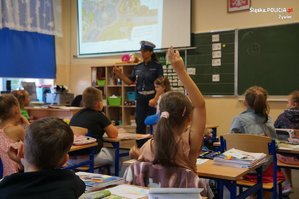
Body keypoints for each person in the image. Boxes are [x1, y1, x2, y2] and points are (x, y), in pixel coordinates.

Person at [126, 47, 212, 197]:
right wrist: (181, 71)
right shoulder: (189, 142)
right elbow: (200, 105)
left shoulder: (149, 145)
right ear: (189, 118)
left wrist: (138, 155)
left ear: (161, 113)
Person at [0, 117, 85, 199]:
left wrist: (21, 164)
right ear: (64, 160)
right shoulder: (70, 181)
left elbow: (28, 180)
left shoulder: (6, 186)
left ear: (22, 150)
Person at [113, 41, 163, 147]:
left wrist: (155, 99)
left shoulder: (157, 66)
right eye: (141, 51)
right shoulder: (138, 66)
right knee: (140, 123)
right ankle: (141, 147)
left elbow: (161, 84)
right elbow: (129, 81)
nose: (142, 53)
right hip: (140, 97)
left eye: (144, 51)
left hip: (152, 98)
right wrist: (120, 75)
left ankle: (155, 146)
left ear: (150, 52)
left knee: (154, 123)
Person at [69, 87, 118, 166]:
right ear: (98, 104)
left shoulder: (76, 115)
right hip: (90, 157)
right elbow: (114, 134)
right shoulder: (99, 116)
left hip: (71, 159)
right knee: (115, 155)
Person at [274, 91, 299, 195]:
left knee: (277, 152)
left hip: (285, 158)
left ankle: (287, 184)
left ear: (294, 104)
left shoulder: (282, 117)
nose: (287, 104)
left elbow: (274, 132)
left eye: (288, 102)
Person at [0, 94, 27, 177]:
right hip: (14, 176)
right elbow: (35, 146)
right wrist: (27, 124)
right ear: (16, 110)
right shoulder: (18, 130)